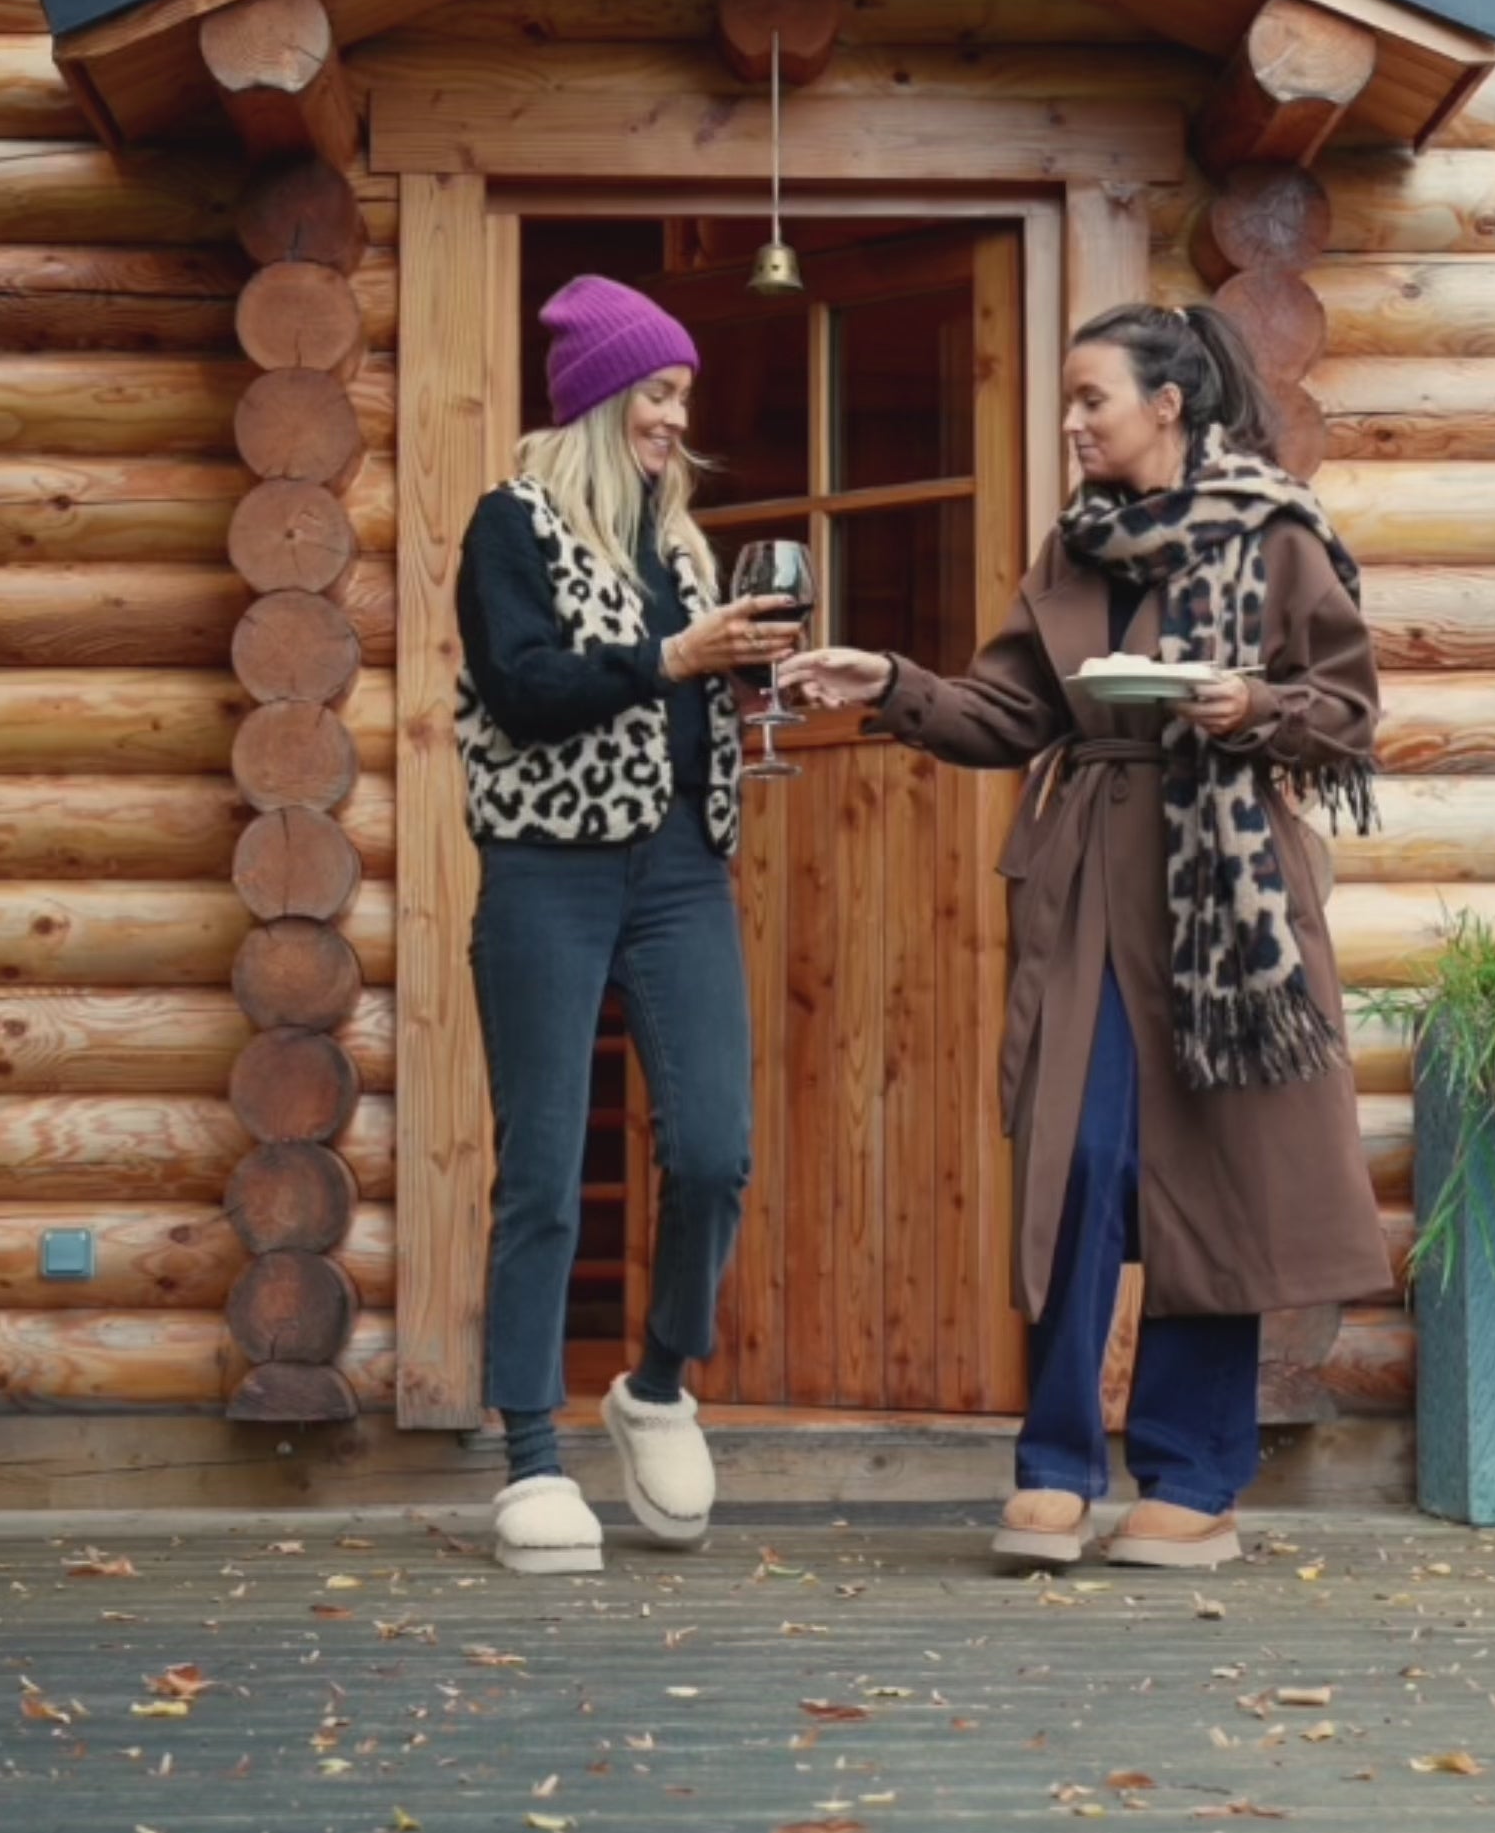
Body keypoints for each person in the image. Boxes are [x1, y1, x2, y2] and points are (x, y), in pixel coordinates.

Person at [783, 301, 1391, 1573]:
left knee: (1212, 1178)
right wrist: (887, 683)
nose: (1069, 423)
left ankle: (1192, 1477)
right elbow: (1007, 712)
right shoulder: (1076, 552)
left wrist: (1252, 704)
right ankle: (1056, 1462)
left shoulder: (1275, 536)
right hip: (1090, 885)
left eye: (1089, 399)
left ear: (1167, 405)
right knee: (1083, 1163)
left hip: (1232, 913)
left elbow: (1344, 711)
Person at [454, 273, 795, 1577]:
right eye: (658, 391)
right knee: (542, 1169)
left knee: (714, 1149)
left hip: (679, 876)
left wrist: (759, 681)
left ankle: (657, 1382)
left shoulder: (683, 543)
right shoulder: (513, 524)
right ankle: (532, 1456)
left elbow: (689, 712)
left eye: (683, 394)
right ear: (601, 396)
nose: (677, 416)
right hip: (546, 868)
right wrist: (671, 661)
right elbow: (524, 686)